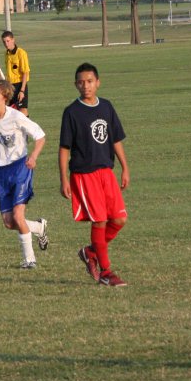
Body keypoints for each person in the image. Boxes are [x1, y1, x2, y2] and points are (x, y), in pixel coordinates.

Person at [59, 63, 130, 287]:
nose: (85, 86)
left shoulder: (107, 107)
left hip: (106, 172)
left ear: (98, 82)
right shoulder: (71, 112)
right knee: (99, 220)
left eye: (89, 81)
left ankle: (91, 251)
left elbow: (115, 139)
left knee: (119, 219)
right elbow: (64, 149)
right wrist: (63, 179)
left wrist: (125, 167)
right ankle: (106, 272)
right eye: (81, 82)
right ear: (75, 85)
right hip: (84, 174)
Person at [0, 79, 49, 269]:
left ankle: (29, 259)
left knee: (17, 215)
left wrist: (33, 156)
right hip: (0, 171)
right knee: (8, 222)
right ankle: (39, 228)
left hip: (20, 167)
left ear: (5, 97)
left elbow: (40, 136)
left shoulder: (16, 117)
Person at [1, 30, 31, 116]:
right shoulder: (6, 54)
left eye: (8, 41)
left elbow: (25, 72)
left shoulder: (21, 53)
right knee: (10, 110)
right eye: (4, 42)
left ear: (13, 40)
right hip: (10, 86)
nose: (6, 44)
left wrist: (22, 90)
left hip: (20, 85)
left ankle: (27, 129)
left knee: (23, 110)